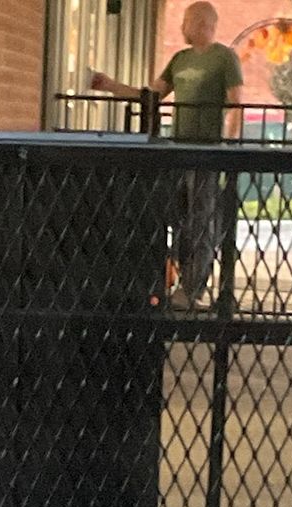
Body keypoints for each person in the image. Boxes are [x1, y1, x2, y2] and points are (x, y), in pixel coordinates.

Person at [90, 1, 244, 307]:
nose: (181, 28)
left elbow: (236, 102)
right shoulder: (179, 59)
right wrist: (109, 86)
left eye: (185, 22)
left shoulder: (224, 57)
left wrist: (229, 144)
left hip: (206, 153)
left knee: (202, 220)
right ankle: (171, 282)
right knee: (177, 218)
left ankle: (191, 290)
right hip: (177, 150)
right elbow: (151, 95)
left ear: (201, 23)